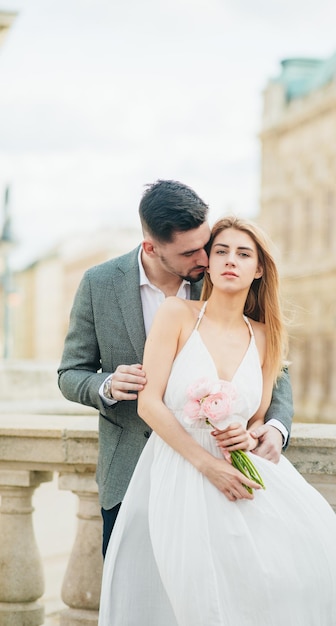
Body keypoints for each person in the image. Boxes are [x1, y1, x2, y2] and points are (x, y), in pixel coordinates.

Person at [98, 216, 336, 626]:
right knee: (191, 596)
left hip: (240, 476)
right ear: (208, 265)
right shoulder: (177, 315)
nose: (231, 260)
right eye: (221, 251)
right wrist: (207, 464)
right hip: (181, 472)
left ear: (259, 268)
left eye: (243, 253)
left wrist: (248, 434)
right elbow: (150, 404)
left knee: (294, 570)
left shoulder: (268, 336)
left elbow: (256, 416)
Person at [57, 179, 294, 557]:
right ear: (151, 247)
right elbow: (69, 374)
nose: (204, 259)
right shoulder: (99, 284)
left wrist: (273, 429)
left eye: (206, 245)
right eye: (190, 253)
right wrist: (108, 385)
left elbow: (269, 367)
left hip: (215, 480)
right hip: (130, 472)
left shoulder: (221, 277)